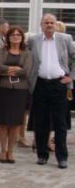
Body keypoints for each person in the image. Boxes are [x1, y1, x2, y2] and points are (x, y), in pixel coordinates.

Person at [28, 14, 75, 169]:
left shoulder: (65, 39)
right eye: (46, 22)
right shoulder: (34, 40)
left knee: (60, 123)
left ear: (55, 24)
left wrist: (71, 77)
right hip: (40, 85)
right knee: (40, 122)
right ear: (41, 25)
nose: (49, 25)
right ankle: (42, 155)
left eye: (51, 22)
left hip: (58, 85)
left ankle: (62, 157)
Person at [0, 26, 31, 164]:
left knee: (16, 122)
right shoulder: (1, 50)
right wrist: (15, 69)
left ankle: (11, 151)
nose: (15, 37)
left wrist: (9, 70)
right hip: (4, 89)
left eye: (18, 35)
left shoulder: (26, 52)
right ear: (8, 37)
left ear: (22, 37)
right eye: (12, 35)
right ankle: (3, 150)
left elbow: (26, 70)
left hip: (20, 90)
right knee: (3, 122)